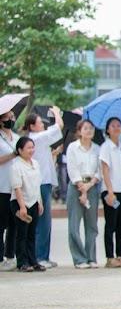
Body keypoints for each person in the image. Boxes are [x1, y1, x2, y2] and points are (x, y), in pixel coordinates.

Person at [23, 108, 63, 269]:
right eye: (40, 122)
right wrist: (56, 113)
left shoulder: (38, 139)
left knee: (45, 221)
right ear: (32, 126)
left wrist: (53, 154)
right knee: (43, 222)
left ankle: (43, 255)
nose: (43, 125)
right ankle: (40, 256)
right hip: (40, 183)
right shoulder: (37, 138)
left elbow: (44, 161)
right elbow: (58, 126)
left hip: (44, 182)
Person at [100, 117, 121, 267]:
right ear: (108, 130)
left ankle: (120, 255)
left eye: (119, 125)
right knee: (111, 224)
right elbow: (105, 169)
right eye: (113, 126)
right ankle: (110, 257)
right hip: (111, 191)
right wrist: (110, 191)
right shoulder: (105, 147)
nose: (116, 128)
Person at [66, 119, 101, 268]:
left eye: (91, 128)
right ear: (79, 131)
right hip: (76, 187)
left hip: (92, 187)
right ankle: (79, 258)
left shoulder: (97, 148)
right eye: (85, 128)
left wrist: (90, 185)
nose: (89, 131)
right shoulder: (73, 148)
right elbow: (72, 169)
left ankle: (91, 257)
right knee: (74, 224)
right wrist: (82, 187)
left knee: (92, 225)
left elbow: (99, 170)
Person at [10, 137, 44, 272]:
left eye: (33, 147)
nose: (32, 150)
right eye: (28, 148)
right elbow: (17, 187)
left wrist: (39, 202)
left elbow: (37, 185)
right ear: (20, 150)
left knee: (31, 233)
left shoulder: (35, 163)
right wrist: (22, 207)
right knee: (22, 234)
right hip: (20, 203)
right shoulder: (16, 165)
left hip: (34, 202)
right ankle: (22, 262)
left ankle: (33, 260)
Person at [0, 108, 20, 271]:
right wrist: (13, 155)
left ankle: (10, 255)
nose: (11, 119)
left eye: (13, 117)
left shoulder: (18, 138)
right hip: (2, 186)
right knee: (1, 223)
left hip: (16, 188)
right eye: (8, 117)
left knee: (14, 223)